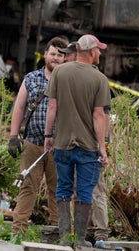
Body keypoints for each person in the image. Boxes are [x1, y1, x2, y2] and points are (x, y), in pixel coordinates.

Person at [44, 34, 111, 248]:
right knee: (84, 192)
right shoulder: (99, 79)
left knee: (63, 189)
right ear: (91, 52)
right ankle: (80, 240)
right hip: (88, 146)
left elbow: (52, 107)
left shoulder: (60, 72)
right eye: (98, 50)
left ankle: (65, 239)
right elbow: (98, 115)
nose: (100, 53)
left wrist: (48, 137)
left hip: (62, 143)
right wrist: (103, 147)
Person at [8, 36, 68, 234]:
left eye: (60, 55)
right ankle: (18, 232)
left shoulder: (68, 81)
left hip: (59, 147)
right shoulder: (31, 78)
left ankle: (59, 234)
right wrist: (13, 136)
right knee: (27, 188)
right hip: (32, 144)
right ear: (45, 55)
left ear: (66, 58)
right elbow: (18, 108)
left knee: (58, 191)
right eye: (53, 54)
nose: (56, 58)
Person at [87, 104, 111, 249]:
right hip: (87, 145)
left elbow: (104, 115)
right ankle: (90, 231)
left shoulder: (98, 85)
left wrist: (103, 146)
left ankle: (101, 232)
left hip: (95, 146)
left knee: (96, 191)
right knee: (85, 191)